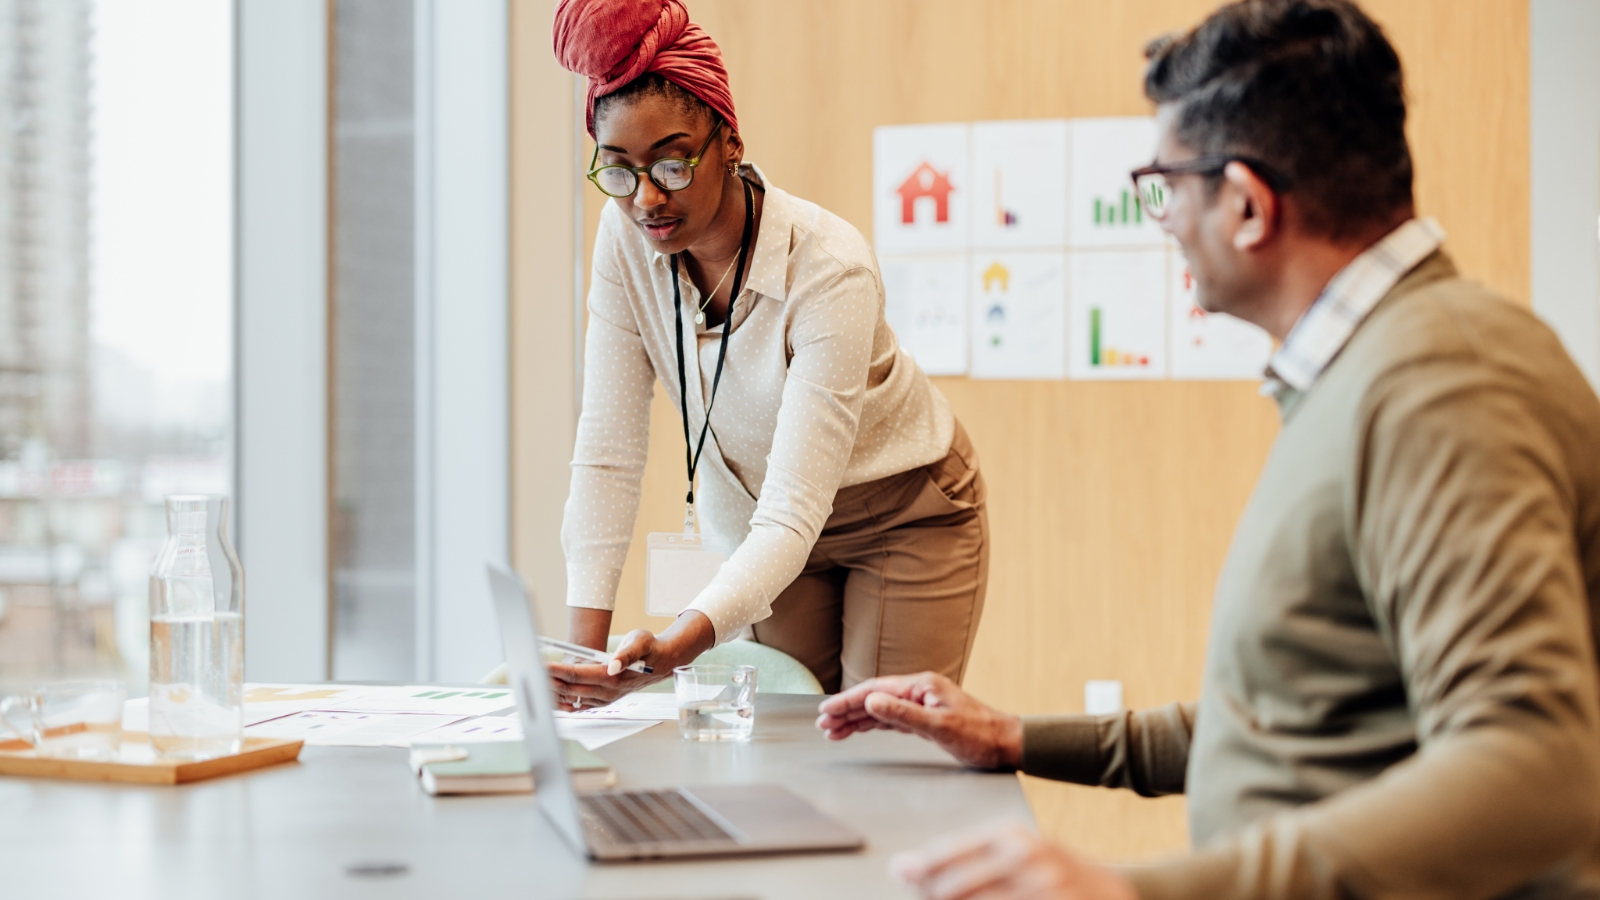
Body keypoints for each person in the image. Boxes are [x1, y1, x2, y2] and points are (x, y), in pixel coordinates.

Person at [817, 1, 1600, 897]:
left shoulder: (1441, 386)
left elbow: (1536, 769)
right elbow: (1288, 714)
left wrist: (1143, 889)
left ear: (1246, 203)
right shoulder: (1373, 369)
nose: (1162, 220)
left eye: (1165, 187)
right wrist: (1020, 737)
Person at [546, 0, 989, 709]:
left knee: (874, 735)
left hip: (902, 511)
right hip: (763, 528)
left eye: (672, 162)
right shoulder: (623, 239)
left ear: (728, 141)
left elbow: (795, 511)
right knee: (783, 736)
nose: (648, 199)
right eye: (621, 170)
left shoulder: (827, 266)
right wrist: (581, 666)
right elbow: (607, 454)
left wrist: (678, 648)